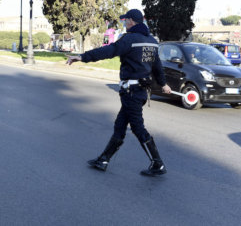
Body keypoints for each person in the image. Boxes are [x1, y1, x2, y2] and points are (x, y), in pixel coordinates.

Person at [66, 9, 171, 176]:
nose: (124, 23)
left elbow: (108, 51)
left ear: (131, 21)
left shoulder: (129, 39)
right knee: (120, 126)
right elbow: (157, 66)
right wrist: (163, 83)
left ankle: (158, 164)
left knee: (137, 128)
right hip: (141, 91)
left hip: (131, 92)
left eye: (125, 20)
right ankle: (103, 160)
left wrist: (82, 57)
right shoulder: (152, 41)